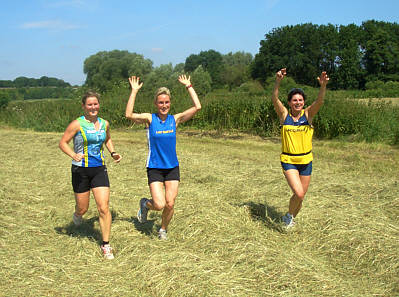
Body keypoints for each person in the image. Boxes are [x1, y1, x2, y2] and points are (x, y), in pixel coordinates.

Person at [125, 75, 201, 240]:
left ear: (170, 103)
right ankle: (145, 204)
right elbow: (129, 114)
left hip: (172, 167)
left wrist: (189, 86)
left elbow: (197, 106)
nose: (164, 105)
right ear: (156, 104)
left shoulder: (175, 119)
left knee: (170, 203)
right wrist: (134, 91)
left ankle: (163, 229)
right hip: (155, 167)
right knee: (159, 204)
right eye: (161, 102)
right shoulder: (150, 119)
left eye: (166, 102)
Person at [59, 91, 122, 259]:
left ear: (98, 105)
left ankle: (106, 245)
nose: (93, 107)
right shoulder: (77, 124)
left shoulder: (104, 123)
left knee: (103, 207)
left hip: (99, 169)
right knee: (83, 208)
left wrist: (113, 152)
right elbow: (62, 143)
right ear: (84, 106)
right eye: (89, 105)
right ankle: (77, 215)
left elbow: (107, 139)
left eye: (95, 104)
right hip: (80, 170)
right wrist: (73, 155)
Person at [272, 68, 329, 228]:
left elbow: (320, 102)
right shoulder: (285, 116)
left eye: (300, 100)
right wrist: (278, 81)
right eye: (294, 100)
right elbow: (275, 99)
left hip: (306, 160)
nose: (298, 103)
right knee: (299, 193)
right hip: (289, 159)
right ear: (289, 102)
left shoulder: (308, 115)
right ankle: (289, 217)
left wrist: (323, 86)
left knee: (301, 197)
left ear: (304, 102)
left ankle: (289, 217)